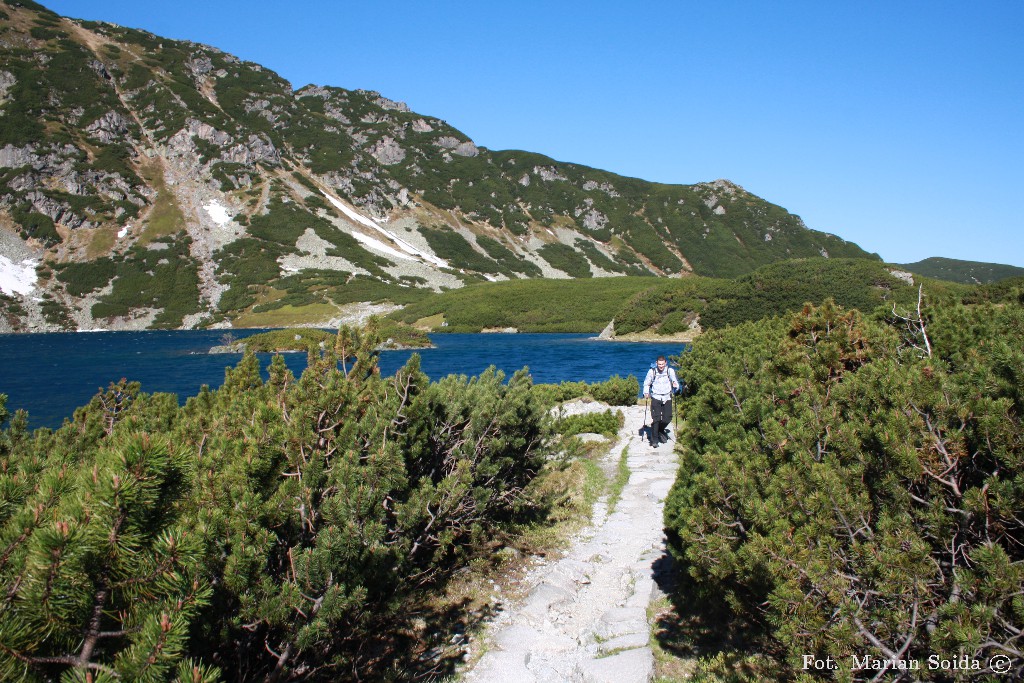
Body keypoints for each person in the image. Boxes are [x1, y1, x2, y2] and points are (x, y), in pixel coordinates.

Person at [643, 356, 679, 448]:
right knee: (656, 419)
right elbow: (647, 383)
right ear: (656, 363)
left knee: (668, 417)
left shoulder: (669, 371)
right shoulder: (652, 371)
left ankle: (659, 429)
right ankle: (654, 440)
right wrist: (646, 392)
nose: (661, 366)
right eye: (659, 364)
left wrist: (676, 385)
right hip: (656, 396)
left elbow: (675, 381)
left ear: (665, 363)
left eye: (662, 364)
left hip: (667, 396)